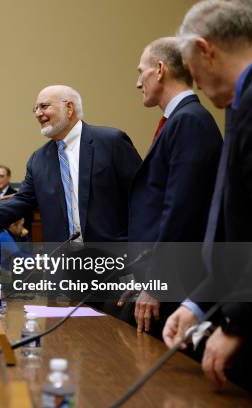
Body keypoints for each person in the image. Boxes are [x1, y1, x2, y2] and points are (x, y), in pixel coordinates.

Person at [161, 0, 252, 392]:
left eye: (192, 70)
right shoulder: (238, 103)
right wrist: (196, 304)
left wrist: (238, 321)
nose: (194, 83)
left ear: (205, 49)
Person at [121, 37, 222, 335]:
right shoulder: (179, 120)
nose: (139, 82)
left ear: (160, 69)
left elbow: (180, 211)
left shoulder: (189, 121)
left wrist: (155, 281)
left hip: (176, 283)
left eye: (141, 71)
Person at [0, 85, 142, 244]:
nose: (38, 114)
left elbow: (143, 196)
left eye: (44, 106)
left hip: (115, 259)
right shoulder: (38, 160)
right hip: (63, 265)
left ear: (69, 108)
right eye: (35, 109)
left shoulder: (111, 142)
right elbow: (21, 201)